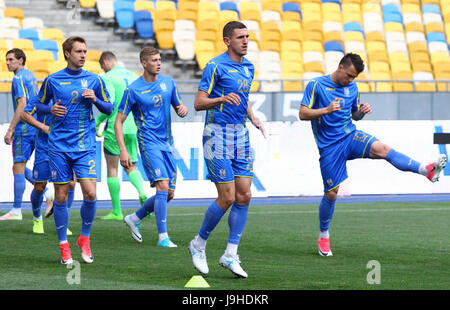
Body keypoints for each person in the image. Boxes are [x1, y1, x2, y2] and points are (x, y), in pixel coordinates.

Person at [299, 53, 448, 257]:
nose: (350, 80)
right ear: (341, 67)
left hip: (350, 136)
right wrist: (326, 109)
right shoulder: (316, 85)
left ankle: (426, 170)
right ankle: (324, 234)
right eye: (349, 75)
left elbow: (354, 115)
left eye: (354, 77)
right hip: (329, 147)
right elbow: (302, 113)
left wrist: (361, 111)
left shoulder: (352, 87)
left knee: (383, 149)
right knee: (331, 193)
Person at [188, 21, 266, 278]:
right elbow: (199, 103)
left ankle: (230, 254)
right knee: (228, 197)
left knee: (245, 195)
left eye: (247, 37)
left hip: (240, 135)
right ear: (227, 41)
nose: (245, 41)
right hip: (216, 136)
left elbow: (242, 98)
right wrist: (220, 99)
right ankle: (199, 243)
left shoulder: (249, 68)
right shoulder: (215, 66)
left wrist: (252, 116)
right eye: (240, 37)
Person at [34, 36, 112, 264]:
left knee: (91, 193)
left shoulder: (94, 80)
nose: (83, 55)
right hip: (58, 145)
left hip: (85, 145)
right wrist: (51, 108)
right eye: (78, 51)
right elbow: (38, 105)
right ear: (67, 53)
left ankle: (84, 239)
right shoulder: (53, 80)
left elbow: (108, 108)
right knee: (60, 195)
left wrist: (96, 99)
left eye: (85, 51)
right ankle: (63, 245)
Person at [117, 46, 188, 248]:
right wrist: (123, 150)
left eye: (159, 59)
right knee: (162, 186)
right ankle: (163, 237)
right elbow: (118, 121)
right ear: (144, 63)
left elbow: (178, 105)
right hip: (148, 143)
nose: (159, 63)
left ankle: (135, 218)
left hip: (167, 143)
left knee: (168, 193)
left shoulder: (168, 82)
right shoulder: (133, 90)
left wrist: (182, 109)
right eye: (154, 60)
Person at [0, 48, 53, 222]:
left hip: (24, 128)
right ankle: (46, 191)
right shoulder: (30, 76)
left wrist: (11, 129)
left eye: (11, 60)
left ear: (21, 60)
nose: (8, 63)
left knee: (18, 166)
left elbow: (22, 104)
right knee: (19, 167)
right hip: (34, 125)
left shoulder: (17, 78)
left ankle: (16, 209)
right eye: (7, 60)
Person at [96, 51, 147, 221]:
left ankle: (117, 211)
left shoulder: (107, 77)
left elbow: (109, 106)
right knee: (131, 164)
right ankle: (142, 192)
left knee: (112, 168)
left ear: (105, 62)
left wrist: (98, 122)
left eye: (102, 66)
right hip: (133, 127)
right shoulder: (134, 76)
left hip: (115, 126)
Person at [21, 94, 76, 236]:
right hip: (44, 148)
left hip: (66, 147)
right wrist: (43, 127)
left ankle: (64, 222)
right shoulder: (40, 98)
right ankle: (37, 218)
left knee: (70, 184)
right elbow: (24, 114)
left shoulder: (69, 95)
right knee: (39, 187)